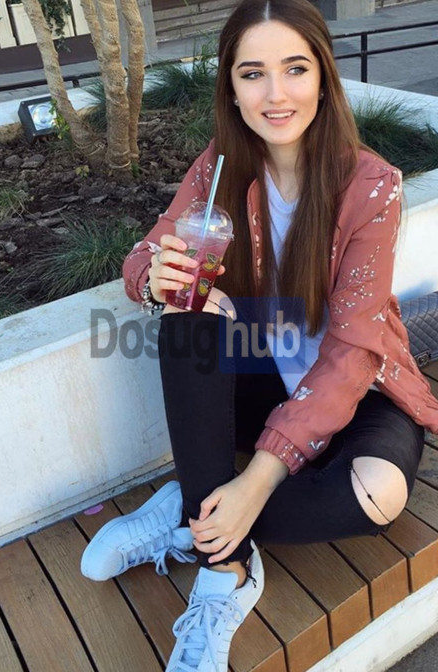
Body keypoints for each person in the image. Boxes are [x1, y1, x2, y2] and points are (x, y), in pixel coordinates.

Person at [81, 0, 438, 669]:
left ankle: (192, 508)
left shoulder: (372, 187)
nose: (276, 94)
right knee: (188, 315)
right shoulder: (218, 168)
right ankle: (229, 571)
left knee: (381, 493)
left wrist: (255, 482)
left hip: (357, 392)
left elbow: (353, 353)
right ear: (231, 88)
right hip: (260, 378)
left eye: (295, 69)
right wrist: (153, 277)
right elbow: (146, 253)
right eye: (253, 74)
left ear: (324, 79)